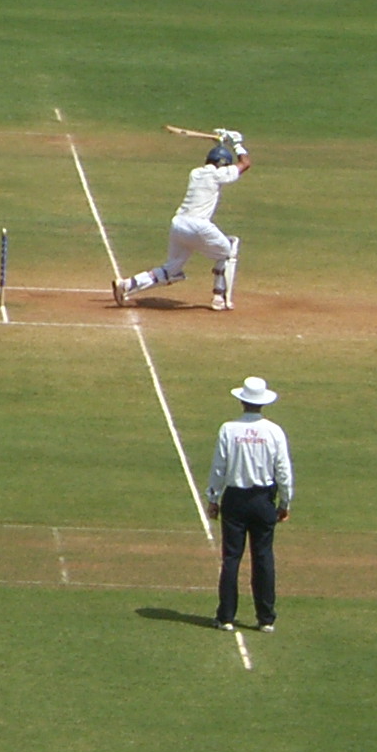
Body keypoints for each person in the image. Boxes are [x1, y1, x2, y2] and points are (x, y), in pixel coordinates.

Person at [117, 128, 248, 312]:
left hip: (178, 224)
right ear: (223, 164)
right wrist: (237, 144)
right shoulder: (218, 175)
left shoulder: (195, 173)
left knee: (172, 270)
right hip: (198, 226)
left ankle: (128, 285)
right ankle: (220, 298)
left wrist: (220, 143)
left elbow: (217, 163)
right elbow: (245, 164)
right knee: (229, 251)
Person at [206, 375, 294, 631]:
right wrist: (285, 502)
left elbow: (219, 468)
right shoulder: (274, 431)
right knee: (263, 557)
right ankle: (265, 618)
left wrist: (213, 498)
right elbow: (283, 470)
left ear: (242, 401)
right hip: (263, 498)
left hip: (235, 499)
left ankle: (226, 616)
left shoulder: (228, 429)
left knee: (231, 557)